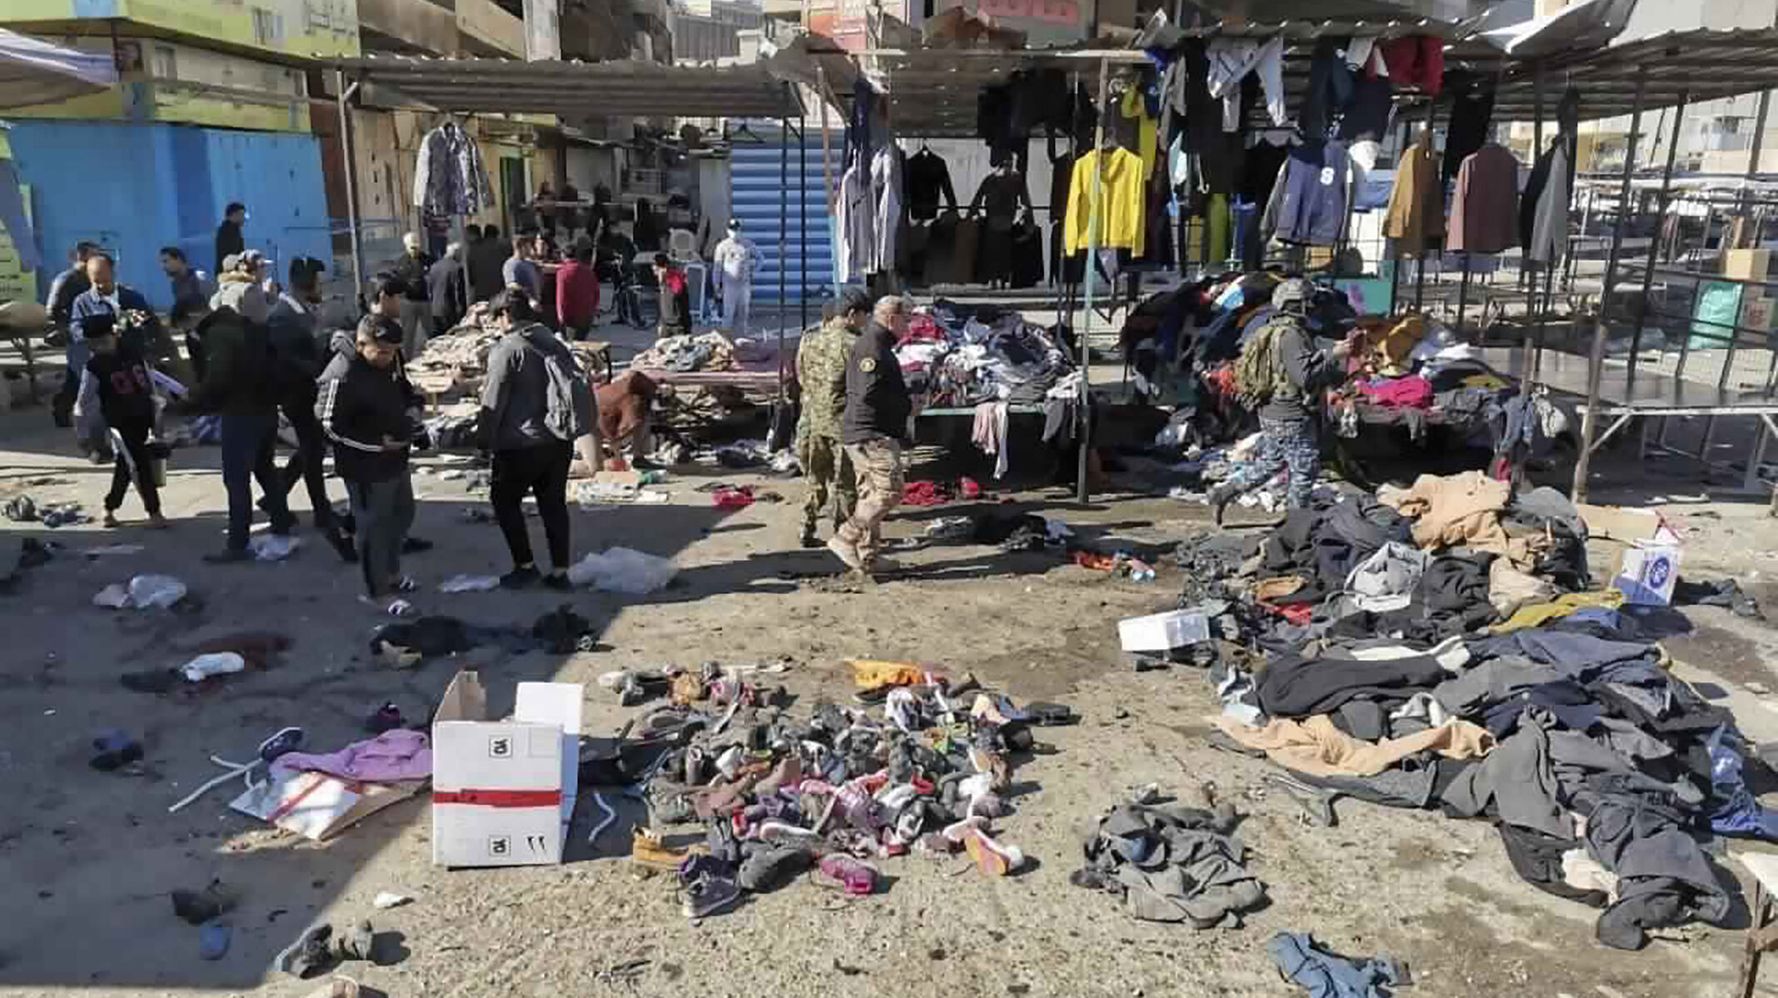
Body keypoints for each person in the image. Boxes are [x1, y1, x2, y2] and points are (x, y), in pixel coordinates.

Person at [1207, 277, 1355, 524]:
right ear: (1295, 304)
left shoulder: (1275, 329)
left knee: (1271, 462)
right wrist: (1334, 355)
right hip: (1289, 412)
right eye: (1307, 302)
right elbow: (1304, 377)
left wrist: (1329, 352)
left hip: (1273, 409)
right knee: (1305, 467)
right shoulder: (1290, 335)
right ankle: (1296, 525)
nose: (1311, 306)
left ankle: (1223, 493)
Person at [479, 290, 591, 591]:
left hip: (520, 443)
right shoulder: (553, 342)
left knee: (504, 501)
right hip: (559, 439)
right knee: (553, 504)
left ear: (505, 315)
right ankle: (560, 572)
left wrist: (483, 439)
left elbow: (493, 401)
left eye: (495, 318)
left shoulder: (508, 349)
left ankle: (525, 566)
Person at [186, 268, 295, 562]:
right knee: (265, 469)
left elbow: (218, 377)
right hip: (265, 410)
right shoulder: (260, 331)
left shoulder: (222, 335)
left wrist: (194, 401)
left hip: (240, 413)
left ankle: (237, 543)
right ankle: (281, 521)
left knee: (237, 479)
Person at [318, 314, 424, 600]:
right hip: (364, 465)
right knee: (373, 528)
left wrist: (414, 406)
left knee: (402, 516)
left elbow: (403, 388)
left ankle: (392, 573)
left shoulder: (392, 359)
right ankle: (378, 591)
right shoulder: (342, 373)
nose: (388, 358)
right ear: (362, 344)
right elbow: (328, 425)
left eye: (393, 352)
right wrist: (376, 444)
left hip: (396, 457)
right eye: (382, 352)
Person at [267, 256, 353, 559]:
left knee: (311, 448)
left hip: (306, 392)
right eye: (318, 282)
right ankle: (317, 511)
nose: (321, 287)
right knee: (313, 449)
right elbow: (289, 360)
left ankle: (280, 497)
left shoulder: (299, 310)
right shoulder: (282, 316)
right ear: (306, 284)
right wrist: (320, 369)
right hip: (296, 394)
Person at [830, 295, 914, 574]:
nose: (908, 326)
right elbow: (868, 392)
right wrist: (906, 406)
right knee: (889, 492)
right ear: (891, 319)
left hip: (866, 430)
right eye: (905, 320)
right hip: (871, 433)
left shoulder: (876, 344)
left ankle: (868, 555)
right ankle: (846, 537)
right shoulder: (873, 347)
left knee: (869, 493)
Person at [73, 312, 168, 530]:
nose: (100, 347)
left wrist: (157, 416)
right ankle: (154, 512)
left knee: (126, 465)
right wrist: (84, 434)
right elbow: (83, 401)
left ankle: (109, 508)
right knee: (140, 464)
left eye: (104, 341)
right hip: (120, 422)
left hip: (143, 415)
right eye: (94, 344)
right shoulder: (94, 367)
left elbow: (150, 384)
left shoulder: (134, 354)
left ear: (114, 335)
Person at [795, 288, 867, 548]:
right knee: (845, 483)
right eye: (864, 316)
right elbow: (864, 387)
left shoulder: (810, 338)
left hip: (814, 419)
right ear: (852, 315)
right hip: (842, 424)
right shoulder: (855, 344)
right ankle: (842, 535)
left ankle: (806, 527)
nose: (866, 321)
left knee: (814, 478)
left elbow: (800, 374)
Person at [47, 240, 100, 430]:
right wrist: (70, 327)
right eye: (93, 255)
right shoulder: (67, 279)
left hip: (93, 333)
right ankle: (75, 413)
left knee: (76, 378)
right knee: (85, 375)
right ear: (81, 256)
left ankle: (62, 408)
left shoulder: (92, 278)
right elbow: (53, 310)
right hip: (77, 336)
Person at [712, 219, 763, 336]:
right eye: (732, 230)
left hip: (744, 285)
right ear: (727, 231)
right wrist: (716, 285)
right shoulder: (722, 246)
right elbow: (717, 268)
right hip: (729, 285)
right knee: (728, 314)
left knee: (743, 313)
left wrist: (753, 271)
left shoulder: (747, 244)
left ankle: (742, 337)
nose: (734, 233)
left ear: (740, 230)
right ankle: (726, 338)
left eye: (737, 230)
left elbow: (760, 258)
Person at [596, 371, 656, 466]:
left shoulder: (619, 390)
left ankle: (626, 456)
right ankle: (632, 457)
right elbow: (626, 425)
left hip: (599, 408)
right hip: (601, 412)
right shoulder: (633, 400)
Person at [391, 233, 435, 358]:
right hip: (408, 302)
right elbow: (397, 281)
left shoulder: (428, 260)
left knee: (431, 332)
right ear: (406, 247)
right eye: (412, 248)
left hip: (425, 301)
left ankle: (435, 355)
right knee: (408, 334)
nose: (415, 250)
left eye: (417, 247)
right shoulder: (401, 262)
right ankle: (407, 359)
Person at [555, 242, 600, 340]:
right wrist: (593, 309)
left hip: (571, 317)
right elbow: (596, 291)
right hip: (586, 315)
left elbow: (561, 295)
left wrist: (560, 316)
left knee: (572, 344)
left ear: (563, 255)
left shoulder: (563, 272)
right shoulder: (588, 271)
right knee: (581, 340)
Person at [426, 242, 468, 337]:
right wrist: (461, 311)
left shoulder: (434, 266)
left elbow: (429, 289)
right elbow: (458, 292)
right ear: (456, 254)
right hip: (450, 310)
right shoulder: (457, 268)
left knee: (439, 337)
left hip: (436, 309)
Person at [653, 253, 691, 338]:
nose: (653, 269)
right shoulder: (663, 279)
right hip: (666, 324)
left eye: (656, 267)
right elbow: (665, 305)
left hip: (678, 326)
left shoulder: (674, 278)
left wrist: (667, 279)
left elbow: (679, 297)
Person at [468, 224, 506, 303]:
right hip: (499, 291)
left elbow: (470, 275)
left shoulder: (473, 250)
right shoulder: (503, 247)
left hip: (481, 291)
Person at [503, 233, 542, 304]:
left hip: (535, 304)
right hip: (520, 304)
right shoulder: (511, 264)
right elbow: (511, 285)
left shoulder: (528, 263)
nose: (530, 249)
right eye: (528, 246)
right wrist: (529, 298)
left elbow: (543, 267)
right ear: (521, 247)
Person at [214, 202, 246, 276]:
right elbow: (230, 254)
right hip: (228, 274)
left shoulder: (234, 229)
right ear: (234, 215)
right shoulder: (228, 231)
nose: (243, 218)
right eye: (241, 214)